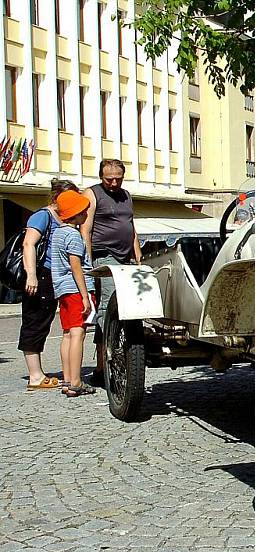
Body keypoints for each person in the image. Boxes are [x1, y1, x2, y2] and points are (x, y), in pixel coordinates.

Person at [80, 159, 142, 385]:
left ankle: (102, 365)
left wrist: (137, 254)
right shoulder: (92, 194)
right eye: (109, 179)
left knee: (125, 302)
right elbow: (85, 229)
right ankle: (111, 352)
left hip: (125, 256)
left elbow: (131, 226)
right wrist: (88, 263)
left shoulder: (126, 195)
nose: (114, 182)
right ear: (101, 177)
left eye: (118, 178)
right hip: (104, 255)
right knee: (109, 304)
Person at [18, 180, 79, 390]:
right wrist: (31, 275)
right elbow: (29, 244)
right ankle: (35, 376)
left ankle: (40, 373)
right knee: (35, 321)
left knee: (48, 322)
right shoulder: (43, 215)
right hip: (42, 276)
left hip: (56, 276)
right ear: (57, 198)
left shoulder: (63, 218)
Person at [51, 190, 97, 397]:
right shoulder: (74, 235)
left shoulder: (58, 233)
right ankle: (76, 382)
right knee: (79, 333)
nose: (87, 213)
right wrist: (85, 295)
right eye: (84, 210)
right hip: (76, 289)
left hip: (62, 288)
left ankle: (68, 380)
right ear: (76, 213)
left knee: (68, 333)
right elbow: (76, 266)